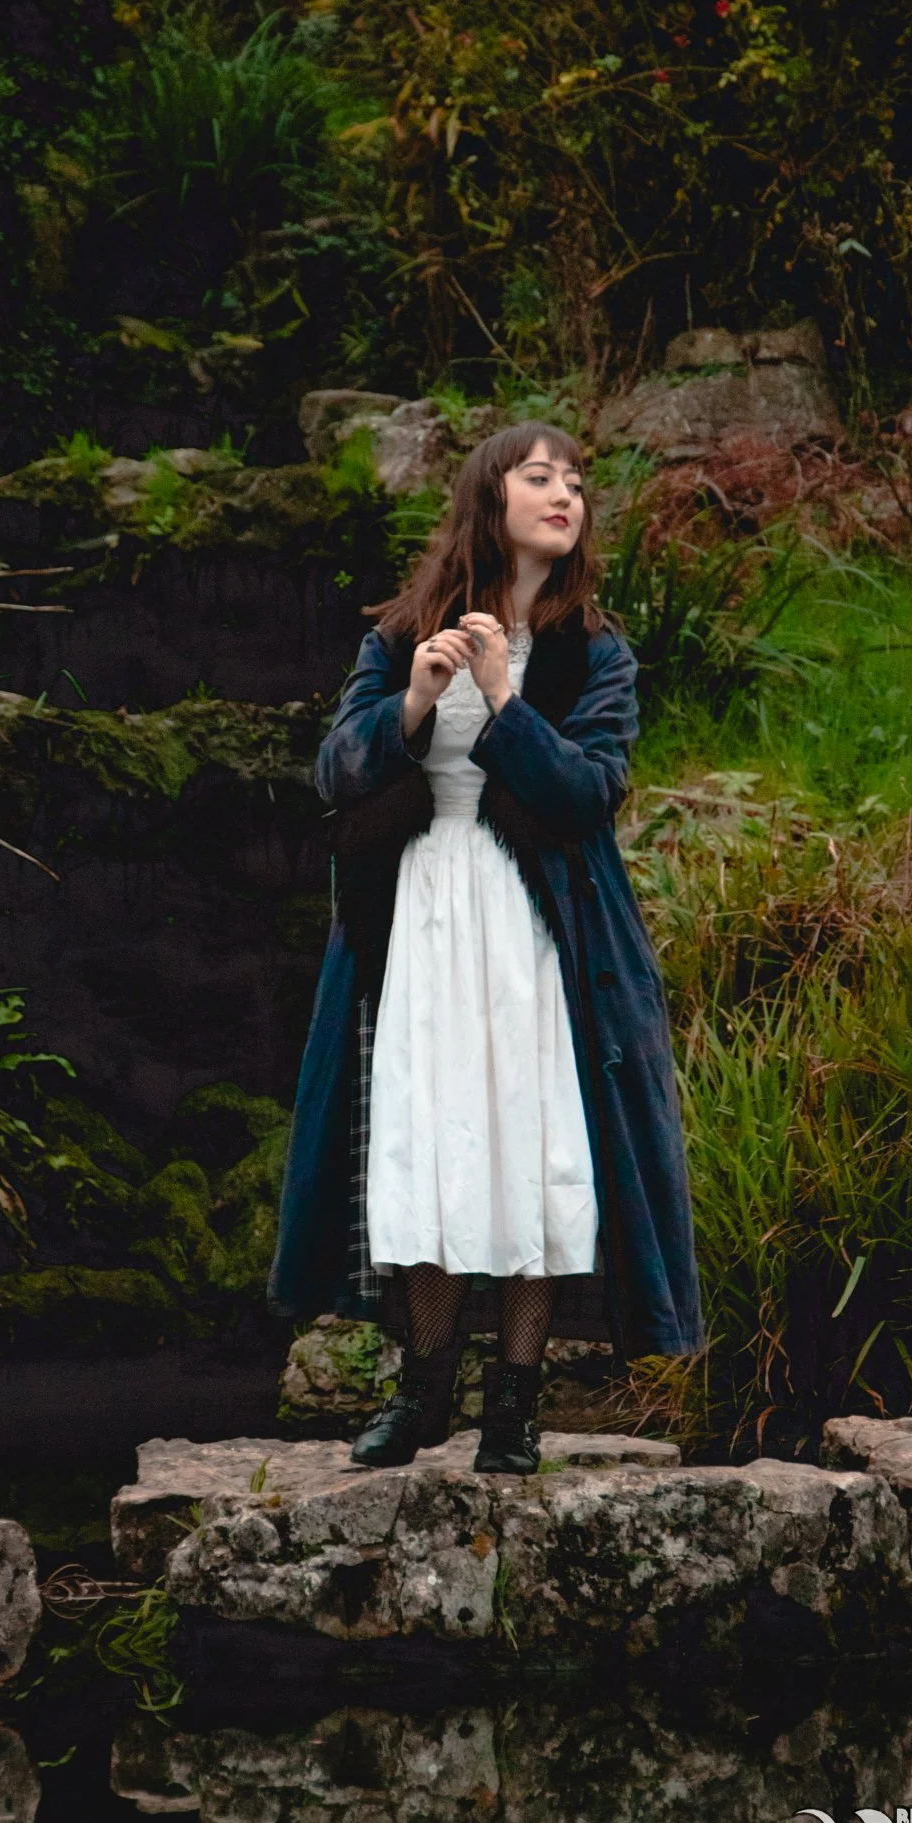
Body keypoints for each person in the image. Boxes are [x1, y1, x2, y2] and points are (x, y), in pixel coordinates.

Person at [268, 420, 703, 1473]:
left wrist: (506, 698)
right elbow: (336, 768)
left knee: (534, 1146)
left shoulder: (596, 651)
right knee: (428, 1140)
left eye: (576, 482)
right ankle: (423, 1395)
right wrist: (413, 700)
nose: (565, 493)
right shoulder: (398, 631)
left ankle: (514, 1407)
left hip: (539, 924)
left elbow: (588, 792)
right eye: (539, 475)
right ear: (488, 496)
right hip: (421, 914)